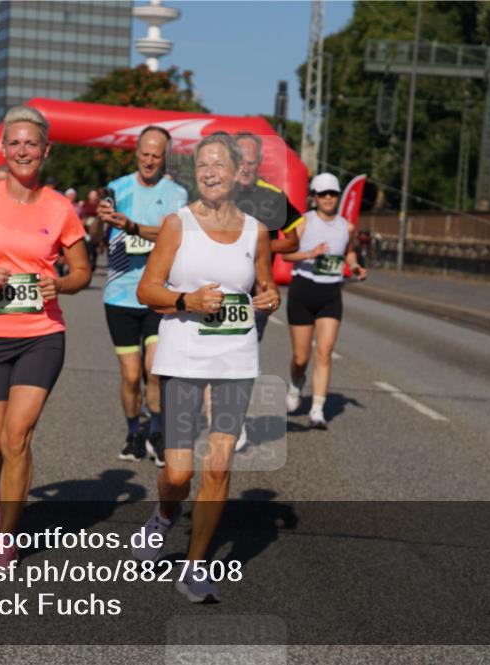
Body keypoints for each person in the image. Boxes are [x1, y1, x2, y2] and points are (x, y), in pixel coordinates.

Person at [131, 131, 279, 602]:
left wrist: (270, 299)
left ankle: (195, 567)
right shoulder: (178, 225)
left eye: (219, 165)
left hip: (235, 361)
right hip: (182, 358)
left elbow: (264, 286)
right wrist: (185, 299)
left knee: (217, 468)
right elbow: (147, 290)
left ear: (239, 173)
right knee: (178, 474)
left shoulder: (257, 231)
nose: (210, 173)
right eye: (202, 166)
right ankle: (163, 517)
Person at [0, 106, 90, 567]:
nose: (23, 151)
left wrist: (60, 283)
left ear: (46, 151)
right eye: (15, 143)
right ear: (3, 150)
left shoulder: (59, 207)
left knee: (17, 437)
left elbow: (82, 270)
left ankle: (7, 536)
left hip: (40, 334)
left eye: (32, 144)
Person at [98, 126, 188, 467]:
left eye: (157, 155)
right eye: (145, 154)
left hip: (157, 294)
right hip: (120, 295)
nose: (150, 160)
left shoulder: (177, 194)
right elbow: (96, 233)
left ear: (165, 157)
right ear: (137, 153)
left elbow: (172, 234)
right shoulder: (117, 188)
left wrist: (132, 226)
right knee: (131, 374)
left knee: (155, 369)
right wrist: (100, 220)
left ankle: (159, 432)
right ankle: (134, 431)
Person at [280, 174, 364, 429]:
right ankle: (296, 384)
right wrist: (310, 253)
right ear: (314, 197)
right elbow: (285, 254)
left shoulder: (346, 227)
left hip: (330, 294)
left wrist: (355, 265)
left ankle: (317, 409)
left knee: (325, 351)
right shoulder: (304, 222)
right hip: (303, 290)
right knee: (301, 357)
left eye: (333, 194)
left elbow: (349, 251)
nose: (328, 198)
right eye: (323, 194)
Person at [232, 131, 302, 341]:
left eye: (251, 162)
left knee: (246, 351)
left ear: (260, 162)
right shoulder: (218, 192)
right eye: (240, 160)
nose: (245, 167)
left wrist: (260, 247)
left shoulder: (274, 196)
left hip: (258, 291)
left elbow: (292, 242)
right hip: (220, 287)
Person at [81, 189, 102, 268]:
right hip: (86, 228)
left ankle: (94, 260)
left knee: (94, 246)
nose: (93, 197)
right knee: (88, 246)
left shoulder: (100, 205)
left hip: (97, 228)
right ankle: (89, 261)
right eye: (92, 195)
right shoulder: (84, 204)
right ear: (89, 196)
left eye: (95, 195)